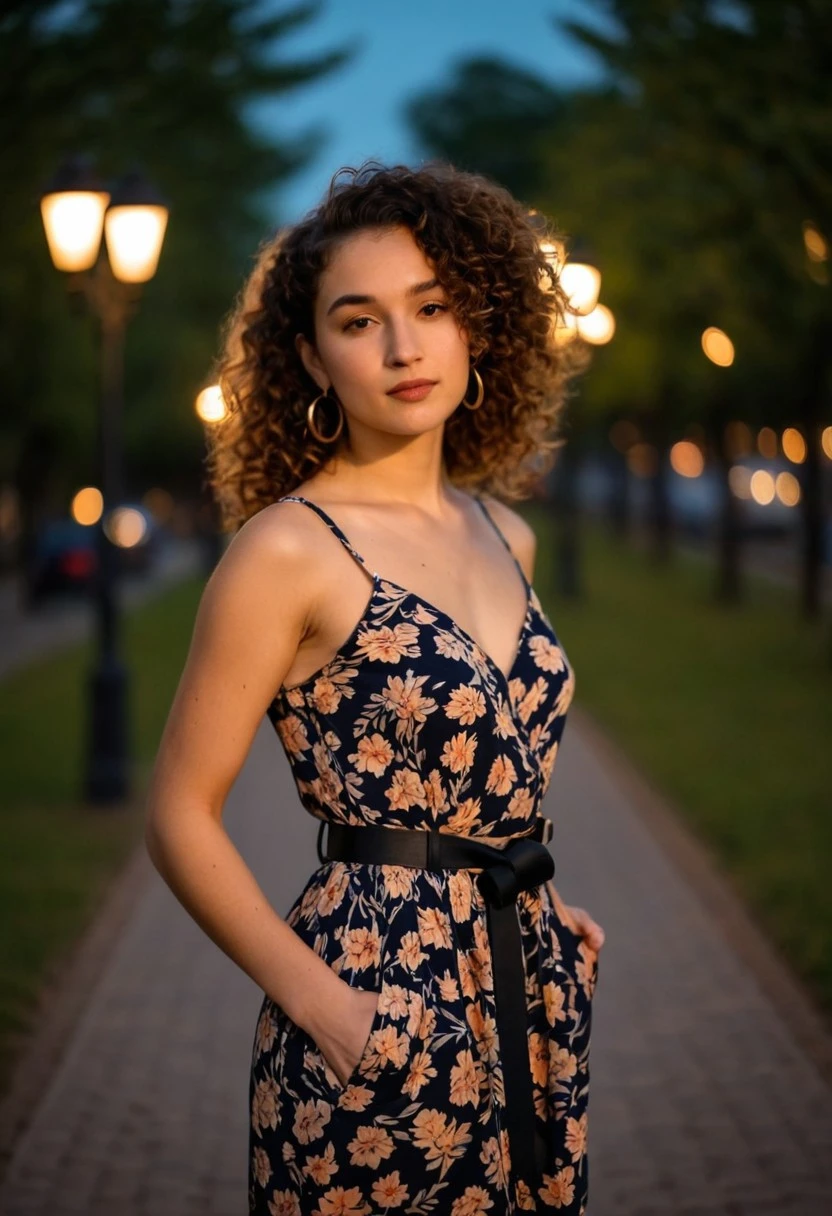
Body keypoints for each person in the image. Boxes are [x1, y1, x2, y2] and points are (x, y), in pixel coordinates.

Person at [144, 161, 605, 1216]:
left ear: (477, 323)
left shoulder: (506, 532)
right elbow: (178, 815)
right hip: (369, 1010)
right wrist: (330, 1010)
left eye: (432, 308)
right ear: (311, 355)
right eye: (361, 321)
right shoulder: (288, 551)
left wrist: (546, 898)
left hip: (528, 993)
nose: (404, 349)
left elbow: (486, 760)